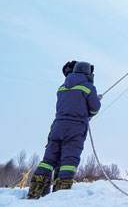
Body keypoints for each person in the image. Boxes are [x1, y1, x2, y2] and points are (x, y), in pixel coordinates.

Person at [27, 61, 101, 199]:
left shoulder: (62, 88)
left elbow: (69, 104)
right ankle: (60, 195)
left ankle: (35, 190)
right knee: (69, 161)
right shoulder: (89, 87)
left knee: (48, 159)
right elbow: (94, 109)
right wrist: (95, 100)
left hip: (58, 127)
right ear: (88, 73)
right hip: (75, 129)